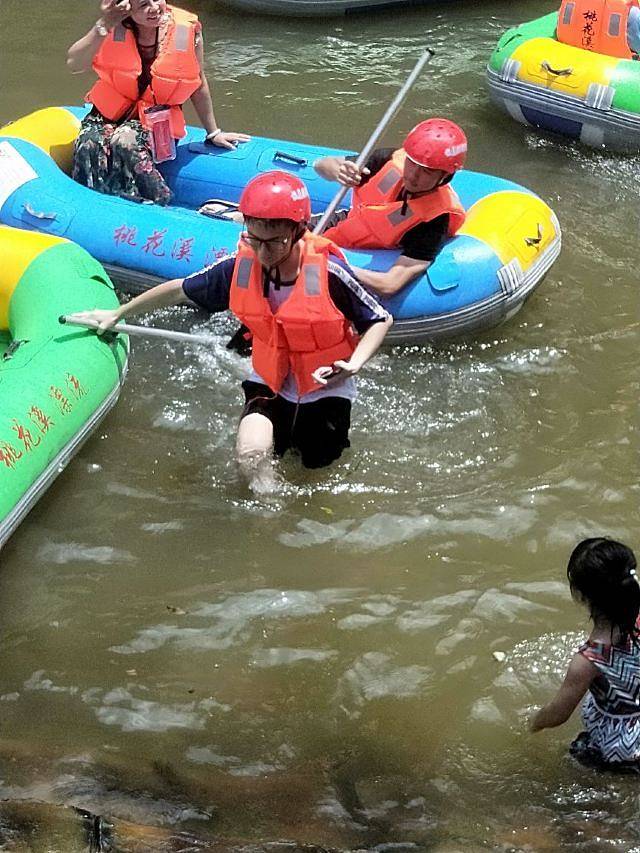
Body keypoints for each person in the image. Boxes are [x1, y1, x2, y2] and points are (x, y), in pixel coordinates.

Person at [68, 171, 392, 491]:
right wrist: (118, 313)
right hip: (270, 379)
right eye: (256, 239)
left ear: (299, 231)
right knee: (250, 457)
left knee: (315, 473)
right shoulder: (240, 267)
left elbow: (379, 319)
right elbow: (179, 289)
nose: (265, 252)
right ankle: (267, 516)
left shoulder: (329, 273)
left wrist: (355, 363)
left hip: (326, 385)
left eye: (275, 241)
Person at [67, 0, 249, 205]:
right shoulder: (112, 25)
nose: (154, 8)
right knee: (88, 143)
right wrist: (104, 23)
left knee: (125, 141)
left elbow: (197, 82)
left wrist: (213, 132)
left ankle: (154, 202)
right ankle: (91, 202)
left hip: (156, 119)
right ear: (127, 8)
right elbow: (74, 64)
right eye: (144, 4)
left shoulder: (187, 30)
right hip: (110, 113)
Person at [312, 119, 467, 297]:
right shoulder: (387, 160)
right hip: (346, 222)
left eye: (427, 171)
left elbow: (390, 285)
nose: (413, 175)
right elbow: (321, 164)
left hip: (365, 250)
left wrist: (332, 267)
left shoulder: (433, 222)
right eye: (412, 163)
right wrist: (338, 171)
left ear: (446, 176)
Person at [530, 538, 640, 771]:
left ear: (580, 595)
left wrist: (534, 723)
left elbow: (558, 714)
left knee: (573, 760)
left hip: (626, 746)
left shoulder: (590, 659)